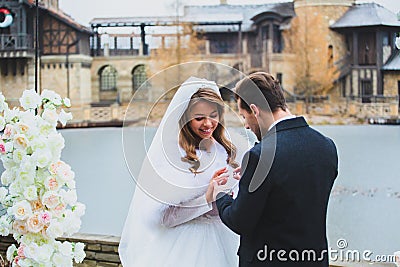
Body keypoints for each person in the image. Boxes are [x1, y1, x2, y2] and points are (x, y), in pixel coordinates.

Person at [206, 72, 338, 266]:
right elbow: (296, 194)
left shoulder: (260, 156)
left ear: (255, 110)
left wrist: (218, 195)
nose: (247, 126)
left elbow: (239, 221)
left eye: (244, 117)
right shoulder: (327, 146)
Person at [119, 77, 247, 266]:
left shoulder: (229, 150)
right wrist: (207, 198)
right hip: (186, 245)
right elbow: (164, 218)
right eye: (199, 118)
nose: (208, 123)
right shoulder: (173, 156)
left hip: (227, 238)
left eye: (214, 115)